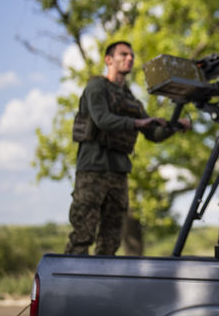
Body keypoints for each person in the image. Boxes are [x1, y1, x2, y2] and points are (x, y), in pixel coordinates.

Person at [65, 41, 191, 255]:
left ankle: (103, 286)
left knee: (111, 239)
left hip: (119, 172)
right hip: (93, 169)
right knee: (82, 235)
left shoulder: (130, 99)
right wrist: (136, 123)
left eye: (131, 55)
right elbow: (102, 119)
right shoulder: (97, 87)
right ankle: (67, 286)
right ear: (108, 59)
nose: (129, 58)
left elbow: (153, 134)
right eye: (123, 54)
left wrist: (174, 125)